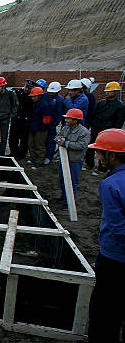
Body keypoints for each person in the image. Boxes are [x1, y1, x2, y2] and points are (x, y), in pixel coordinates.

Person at [86, 128, 125, 343]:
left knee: (104, 312)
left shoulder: (110, 185)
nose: (98, 157)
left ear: (113, 156)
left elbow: (118, 228)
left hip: (116, 257)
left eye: (100, 153)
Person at [85, 82, 125, 174]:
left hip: (108, 131)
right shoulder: (101, 103)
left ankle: (101, 168)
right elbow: (94, 115)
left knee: (104, 150)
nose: (107, 93)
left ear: (116, 92)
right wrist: (93, 125)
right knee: (91, 147)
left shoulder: (120, 106)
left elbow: (119, 121)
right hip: (96, 128)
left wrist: (112, 132)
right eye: (106, 91)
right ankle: (89, 164)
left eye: (109, 91)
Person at [56, 108, 90, 207]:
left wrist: (66, 143)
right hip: (63, 158)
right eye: (66, 118)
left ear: (76, 120)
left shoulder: (84, 132)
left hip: (74, 160)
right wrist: (58, 140)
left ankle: (69, 203)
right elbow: (59, 136)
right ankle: (64, 197)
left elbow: (82, 145)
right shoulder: (65, 128)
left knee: (72, 182)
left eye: (69, 119)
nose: (66, 120)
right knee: (62, 180)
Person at [9, 79, 36, 159]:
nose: (27, 89)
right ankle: (13, 152)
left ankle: (22, 154)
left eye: (29, 88)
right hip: (16, 118)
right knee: (13, 137)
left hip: (26, 120)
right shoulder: (18, 93)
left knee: (24, 139)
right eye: (26, 87)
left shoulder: (32, 96)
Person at [27, 87, 51, 169]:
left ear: (39, 96)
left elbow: (47, 119)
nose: (32, 98)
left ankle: (39, 162)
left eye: (34, 96)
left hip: (40, 129)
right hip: (33, 127)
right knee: (31, 144)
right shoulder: (34, 104)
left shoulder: (44, 105)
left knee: (40, 146)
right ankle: (34, 159)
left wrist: (41, 128)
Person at [44, 81, 66, 164]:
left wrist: (54, 122)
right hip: (43, 121)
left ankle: (49, 156)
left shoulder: (60, 100)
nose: (51, 94)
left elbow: (59, 113)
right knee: (41, 140)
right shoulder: (45, 96)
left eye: (53, 93)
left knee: (51, 140)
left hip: (52, 123)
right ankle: (42, 155)